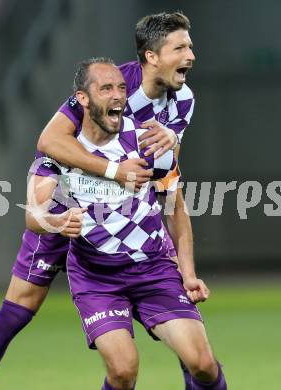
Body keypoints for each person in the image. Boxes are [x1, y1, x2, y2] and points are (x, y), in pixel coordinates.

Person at [0, 11, 211, 389]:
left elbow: (166, 175)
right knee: (17, 310)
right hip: (70, 201)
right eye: (181, 48)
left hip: (125, 215)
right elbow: (49, 142)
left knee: (192, 348)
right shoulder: (114, 81)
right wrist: (111, 172)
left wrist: (165, 160)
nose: (191, 56)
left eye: (190, 46)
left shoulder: (183, 100)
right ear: (152, 57)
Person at [43, 57, 226, 390]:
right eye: (106, 88)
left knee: (202, 365)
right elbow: (34, 214)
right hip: (97, 278)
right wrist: (55, 221)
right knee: (123, 372)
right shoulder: (62, 151)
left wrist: (187, 273)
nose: (117, 96)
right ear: (82, 99)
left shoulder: (149, 141)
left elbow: (175, 207)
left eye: (122, 88)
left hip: (154, 268)